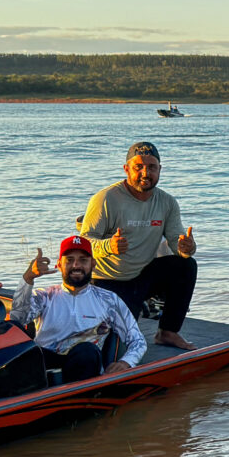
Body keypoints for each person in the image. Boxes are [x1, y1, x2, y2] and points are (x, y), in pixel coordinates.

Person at [79, 141, 199, 350]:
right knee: (120, 346)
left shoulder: (167, 202)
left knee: (186, 265)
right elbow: (83, 244)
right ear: (126, 169)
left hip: (142, 277)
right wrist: (109, 246)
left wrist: (187, 248)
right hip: (107, 283)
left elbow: (176, 241)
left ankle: (168, 332)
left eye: (152, 167)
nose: (145, 173)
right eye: (139, 167)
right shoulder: (105, 199)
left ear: (160, 170)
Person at [14, 236, 146, 383]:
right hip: (44, 364)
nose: (76, 265)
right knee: (13, 335)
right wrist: (28, 279)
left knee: (86, 351)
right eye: (69, 260)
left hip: (85, 365)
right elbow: (17, 319)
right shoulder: (44, 296)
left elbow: (138, 340)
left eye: (83, 260)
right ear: (59, 265)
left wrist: (125, 363)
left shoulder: (109, 300)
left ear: (93, 264)